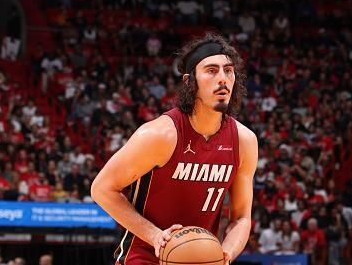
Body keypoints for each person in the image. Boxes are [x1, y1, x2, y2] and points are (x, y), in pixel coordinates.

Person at [91, 33, 258, 264]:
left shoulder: (244, 141)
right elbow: (102, 189)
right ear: (190, 81)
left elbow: (241, 218)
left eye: (228, 70)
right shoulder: (160, 135)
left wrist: (226, 253)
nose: (223, 79)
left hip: (198, 259)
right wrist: (156, 236)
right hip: (144, 258)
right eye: (211, 70)